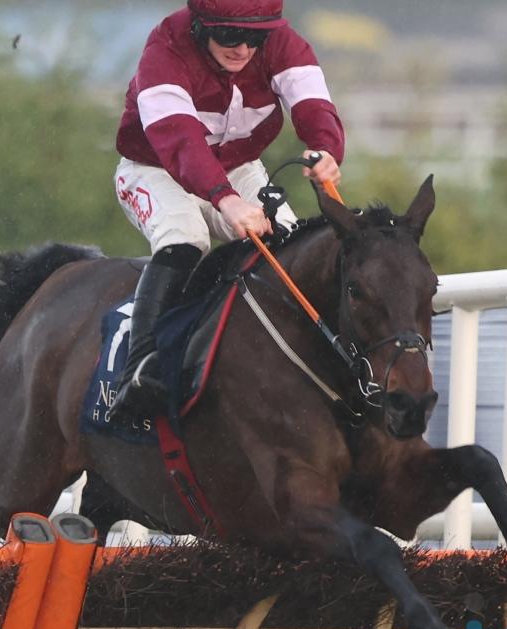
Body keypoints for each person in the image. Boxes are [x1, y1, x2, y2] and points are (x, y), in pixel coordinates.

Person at [110, 0, 345, 419]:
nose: (243, 49)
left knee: (291, 246)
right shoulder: (166, 47)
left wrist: (326, 148)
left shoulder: (282, 42)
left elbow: (311, 101)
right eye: (230, 35)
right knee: (186, 238)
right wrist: (226, 199)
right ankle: (141, 368)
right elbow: (180, 140)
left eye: (255, 38)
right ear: (200, 27)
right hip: (156, 167)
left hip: (237, 167)